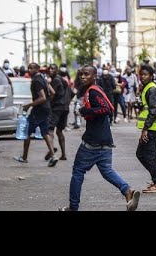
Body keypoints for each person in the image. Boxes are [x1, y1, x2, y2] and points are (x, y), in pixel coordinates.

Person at [58, 65, 140, 211]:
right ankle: (127, 191)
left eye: (86, 74)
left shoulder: (94, 92)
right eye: (81, 74)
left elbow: (105, 110)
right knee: (107, 170)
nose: (83, 77)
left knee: (78, 171)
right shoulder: (96, 90)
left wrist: (84, 110)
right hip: (105, 141)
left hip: (92, 142)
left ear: (94, 76)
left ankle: (73, 207)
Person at [13, 63, 58, 167]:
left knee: (27, 132)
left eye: (31, 68)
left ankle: (24, 158)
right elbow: (53, 92)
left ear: (37, 69)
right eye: (28, 68)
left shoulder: (36, 80)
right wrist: (47, 104)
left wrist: (29, 105)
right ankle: (53, 155)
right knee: (45, 132)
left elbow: (42, 97)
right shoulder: (43, 78)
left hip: (38, 110)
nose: (29, 70)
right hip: (45, 109)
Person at [136, 64, 156, 193]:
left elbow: (153, 111)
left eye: (146, 74)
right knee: (140, 154)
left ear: (151, 75)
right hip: (151, 127)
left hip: (152, 128)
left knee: (148, 156)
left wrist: (145, 129)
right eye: (141, 74)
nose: (143, 77)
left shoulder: (152, 89)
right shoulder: (147, 88)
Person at [47, 64, 68, 161]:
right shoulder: (62, 80)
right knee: (59, 131)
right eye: (49, 69)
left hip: (57, 108)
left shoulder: (56, 80)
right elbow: (70, 93)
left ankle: (52, 152)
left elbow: (52, 94)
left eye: (53, 69)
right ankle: (63, 154)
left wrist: (48, 104)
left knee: (50, 130)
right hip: (64, 108)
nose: (51, 70)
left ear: (57, 70)